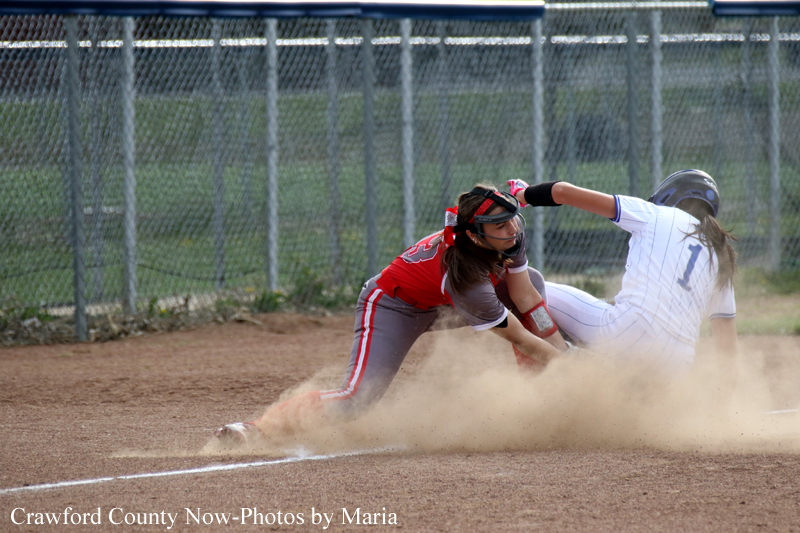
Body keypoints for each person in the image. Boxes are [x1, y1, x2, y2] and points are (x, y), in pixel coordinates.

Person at [215, 184, 571, 444]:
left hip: (439, 299)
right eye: (500, 226)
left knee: (533, 281)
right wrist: (567, 365)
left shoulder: (506, 232)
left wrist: (560, 354)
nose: (512, 230)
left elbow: (525, 295)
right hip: (392, 306)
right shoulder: (466, 281)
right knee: (357, 399)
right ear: (476, 237)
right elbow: (516, 334)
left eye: (514, 220)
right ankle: (255, 429)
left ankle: (536, 394)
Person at [507, 169, 738, 374]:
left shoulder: (656, 214)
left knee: (532, 289)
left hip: (625, 336)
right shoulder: (720, 253)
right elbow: (728, 352)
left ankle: (561, 361)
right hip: (677, 368)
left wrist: (524, 194)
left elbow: (562, 192)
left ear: (668, 195)